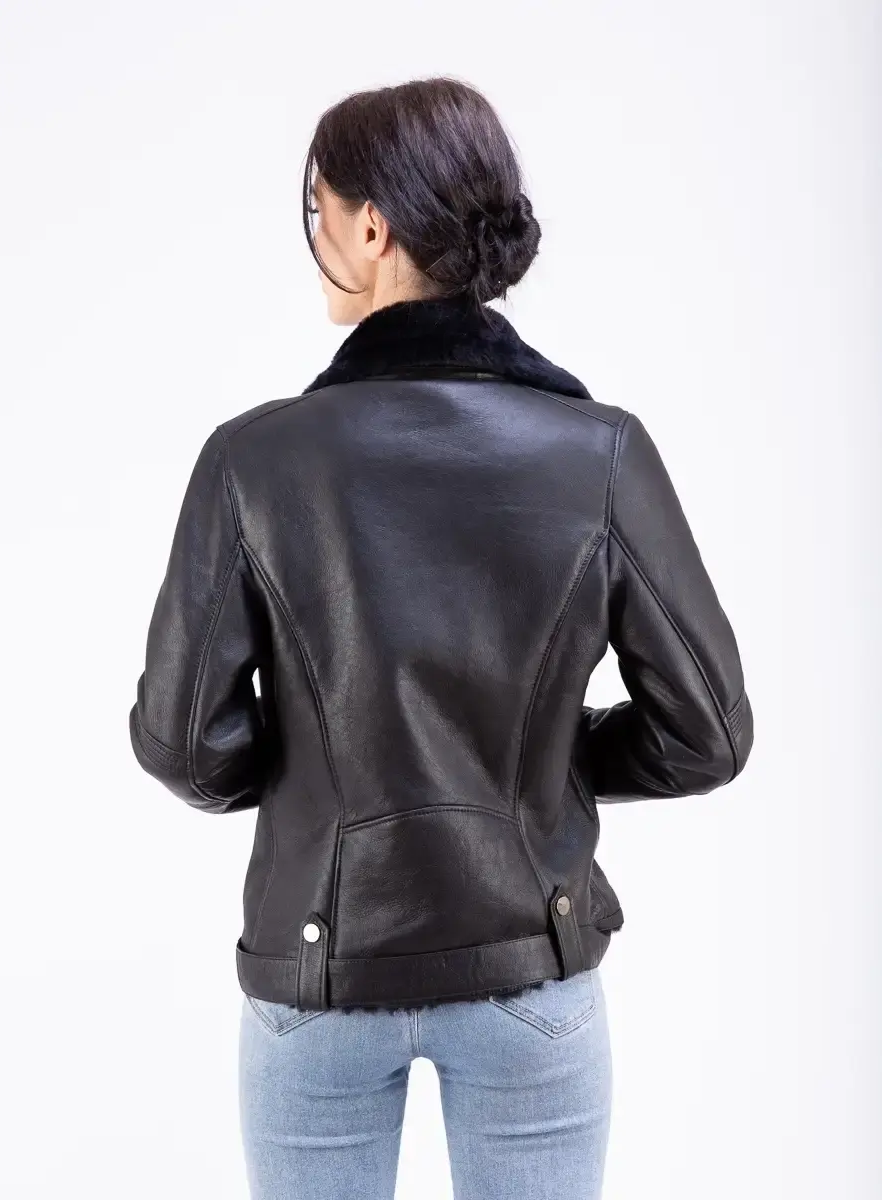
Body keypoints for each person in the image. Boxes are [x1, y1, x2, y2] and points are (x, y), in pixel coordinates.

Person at [129, 76, 754, 1200]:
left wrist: (327, 766)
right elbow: (707, 734)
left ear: (372, 229)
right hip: (530, 967)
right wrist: (533, 768)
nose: (317, 237)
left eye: (318, 209)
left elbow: (185, 747)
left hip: (317, 973)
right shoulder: (601, 453)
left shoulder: (252, 461)